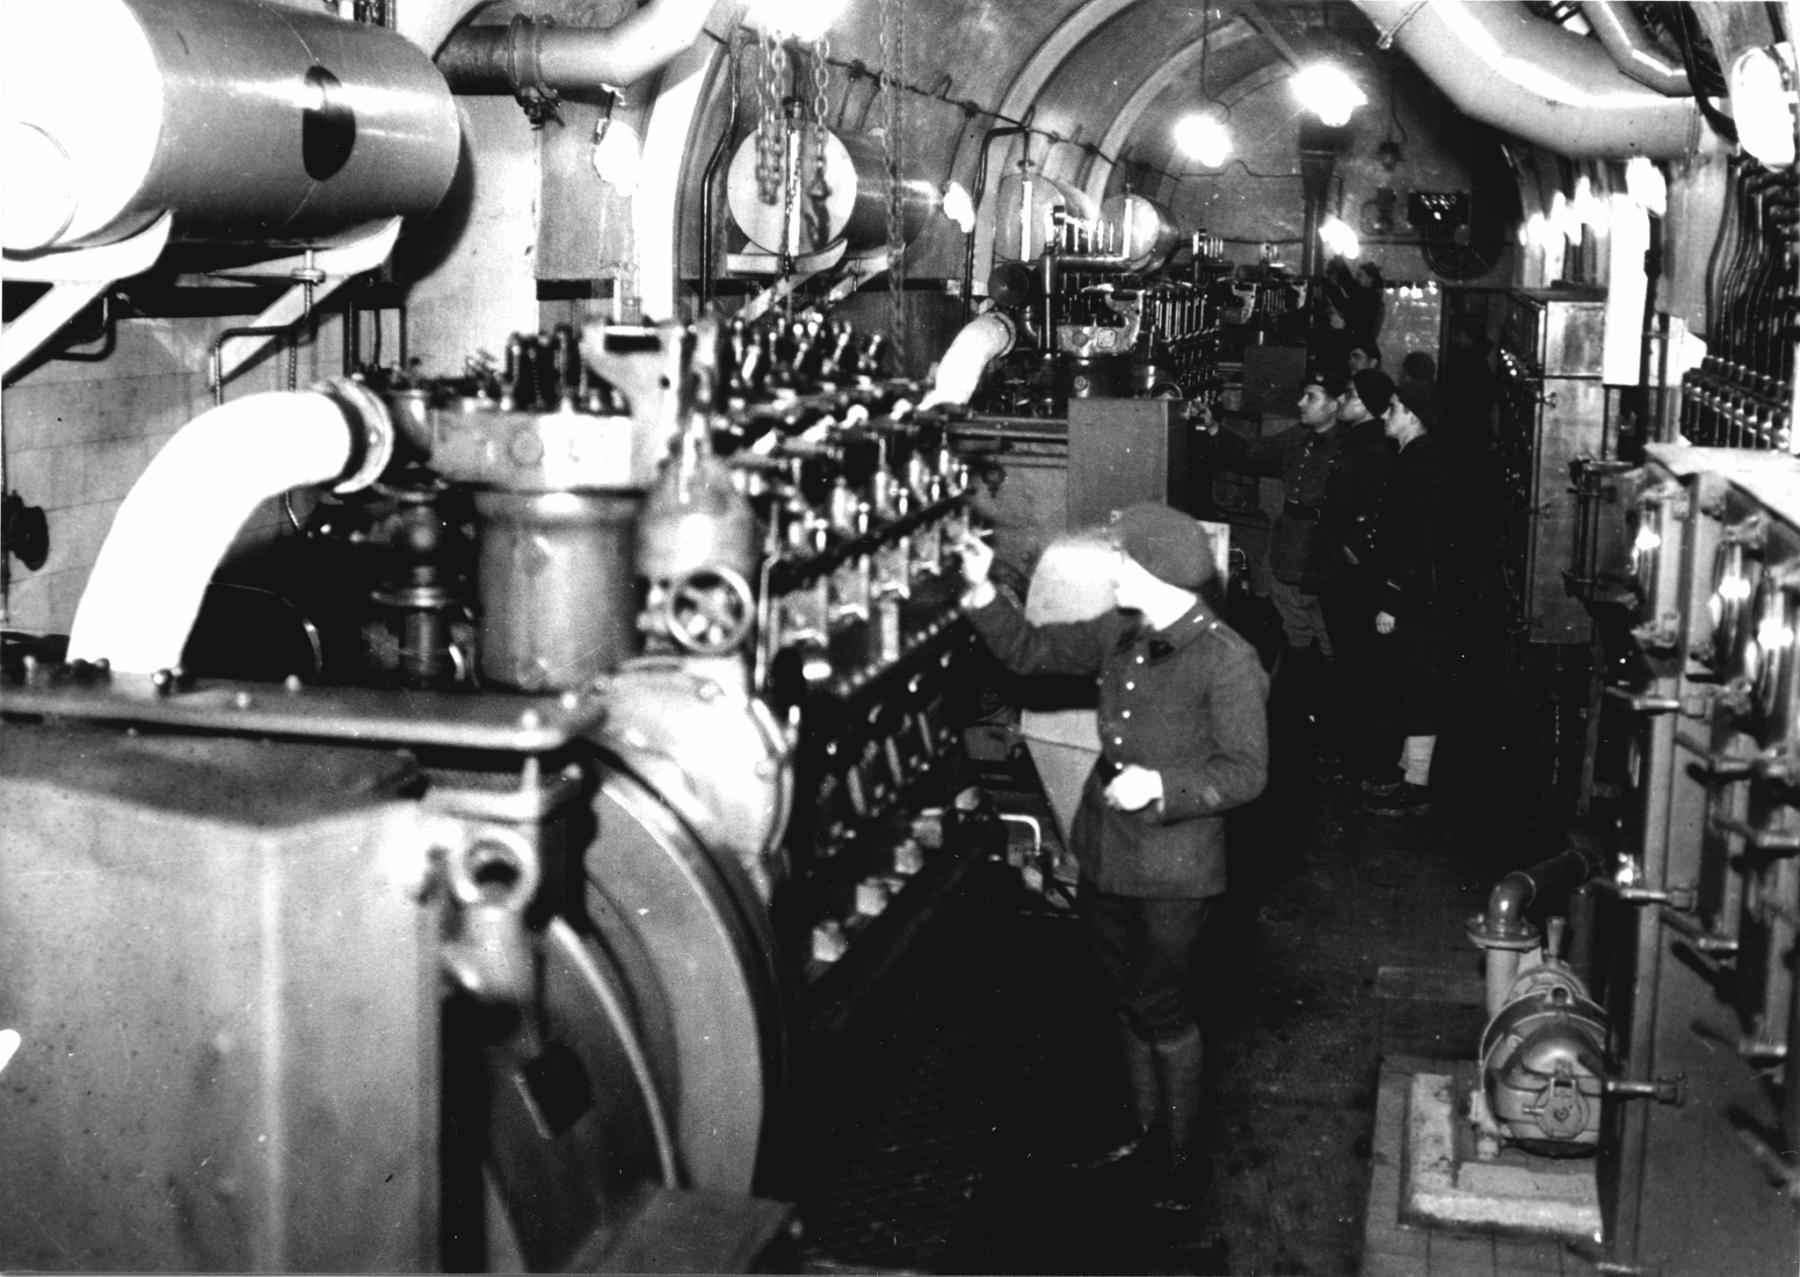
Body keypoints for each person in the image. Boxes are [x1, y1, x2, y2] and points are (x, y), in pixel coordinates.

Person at [955, 504, 1269, 1210]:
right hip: (1107, 848)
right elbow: (1032, 652)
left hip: (1174, 868)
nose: (1114, 574)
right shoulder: (1124, 632)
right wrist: (979, 590)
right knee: (1123, 996)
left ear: (1158, 574)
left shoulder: (1226, 661)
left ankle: (1181, 1165)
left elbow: (1248, 771)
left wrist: (1162, 784)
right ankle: (1145, 1135)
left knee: (1162, 1003)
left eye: (1124, 562)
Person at [1191, 370, 1345, 770]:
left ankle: (1329, 728)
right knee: (1296, 629)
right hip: (1291, 545)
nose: (1301, 404)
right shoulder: (1297, 438)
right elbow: (1253, 453)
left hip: (1321, 548)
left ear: (1335, 403)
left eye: (1311, 397)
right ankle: (1297, 720)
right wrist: (1214, 428)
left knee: (1329, 637)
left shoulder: (1350, 446)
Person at [1363, 378, 1455, 816]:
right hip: (1412, 591)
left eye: (1394, 408)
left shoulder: (1425, 464)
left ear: (1412, 416)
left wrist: (1392, 599)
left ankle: (1417, 786)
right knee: (1406, 682)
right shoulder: (1411, 456)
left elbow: (1418, 541)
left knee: (1419, 687)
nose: (1386, 414)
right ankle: (1404, 772)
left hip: (1418, 596)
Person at [1313, 369, 1398, 781]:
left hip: (1353, 570)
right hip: (1341, 563)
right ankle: (1346, 752)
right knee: (1347, 659)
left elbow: (1384, 504)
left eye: (1348, 395)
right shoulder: (1359, 440)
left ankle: (1352, 757)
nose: (1341, 400)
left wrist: (1355, 547)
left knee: (1353, 661)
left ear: (1366, 403)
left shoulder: (1374, 446)